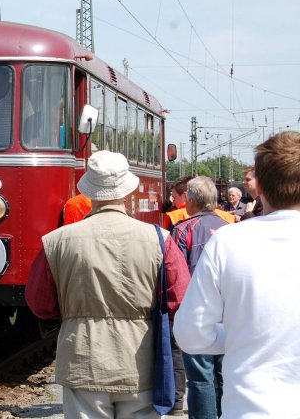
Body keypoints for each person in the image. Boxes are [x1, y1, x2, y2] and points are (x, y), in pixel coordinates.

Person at [26, 151, 190, 418]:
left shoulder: (56, 241)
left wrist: (73, 310)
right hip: (140, 364)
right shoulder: (159, 239)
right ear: (127, 190)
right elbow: (180, 300)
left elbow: (40, 304)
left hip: (82, 361)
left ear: (89, 191)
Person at [174, 131, 300, 417]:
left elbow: (190, 333)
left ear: (259, 186)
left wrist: (238, 332)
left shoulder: (228, 241)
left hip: (248, 408)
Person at [170, 176, 230, 418]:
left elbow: (176, 274)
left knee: (200, 378)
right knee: (224, 374)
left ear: (192, 201)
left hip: (196, 313)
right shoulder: (230, 228)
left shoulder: (183, 229)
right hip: (227, 312)